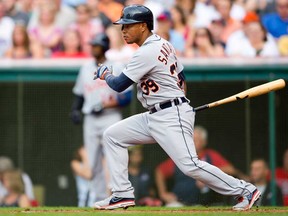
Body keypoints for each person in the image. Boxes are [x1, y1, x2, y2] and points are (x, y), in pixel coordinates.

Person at [92, 4, 261, 211]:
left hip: (170, 114)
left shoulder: (148, 51)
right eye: (122, 27)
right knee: (113, 135)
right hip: (157, 113)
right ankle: (121, 194)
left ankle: (246, 190)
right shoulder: (163, 44)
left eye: (128, 26)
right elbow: (182, 79)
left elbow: (118, 85)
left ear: (143, 26)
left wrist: (105, 74)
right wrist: (178, 101)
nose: (123, 31)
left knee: (190, 165)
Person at [70, 33, 132, 207]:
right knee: (93, 160)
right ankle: (98, 198)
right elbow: (80, 94)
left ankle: (119, 195)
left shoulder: (117, 66)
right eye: (92, 45)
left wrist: (111, 104)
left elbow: (127, 97)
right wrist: (75, 109)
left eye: (96, 45)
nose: (93, 48)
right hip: (91, 118)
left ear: (105, 46)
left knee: (114, 157)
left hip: (110, 116)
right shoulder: (85, 68)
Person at [155, 126, 247, 206]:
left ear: (204, 142)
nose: (192, 142)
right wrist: (163, 193)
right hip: (178, 203)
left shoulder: (210, 155)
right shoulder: (180, 156)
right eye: (190, 139)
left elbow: (230, 169)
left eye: (196, 140)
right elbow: (159, 171)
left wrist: (208, 174)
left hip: (203, 204)